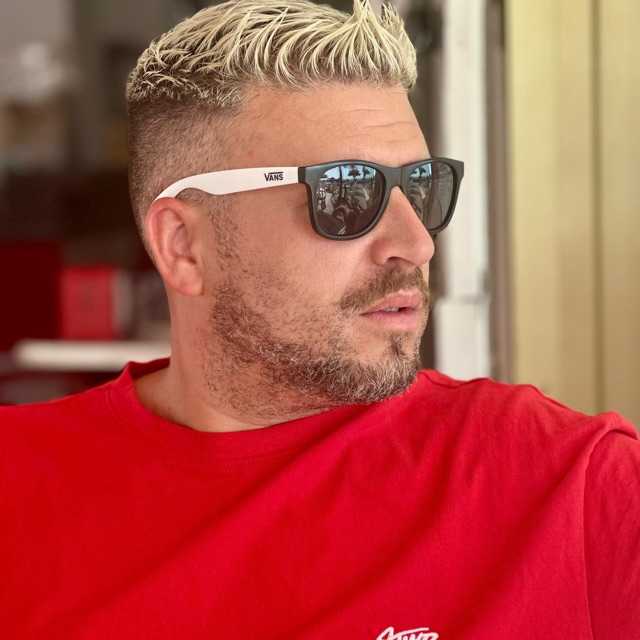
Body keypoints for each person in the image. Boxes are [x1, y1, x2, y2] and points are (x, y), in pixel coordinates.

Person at [1, 1, 638, 638]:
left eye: (420, 187)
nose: (416, 244)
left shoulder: (572, 487)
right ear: (183, 246)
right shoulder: (18, 490)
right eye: (346, 193)